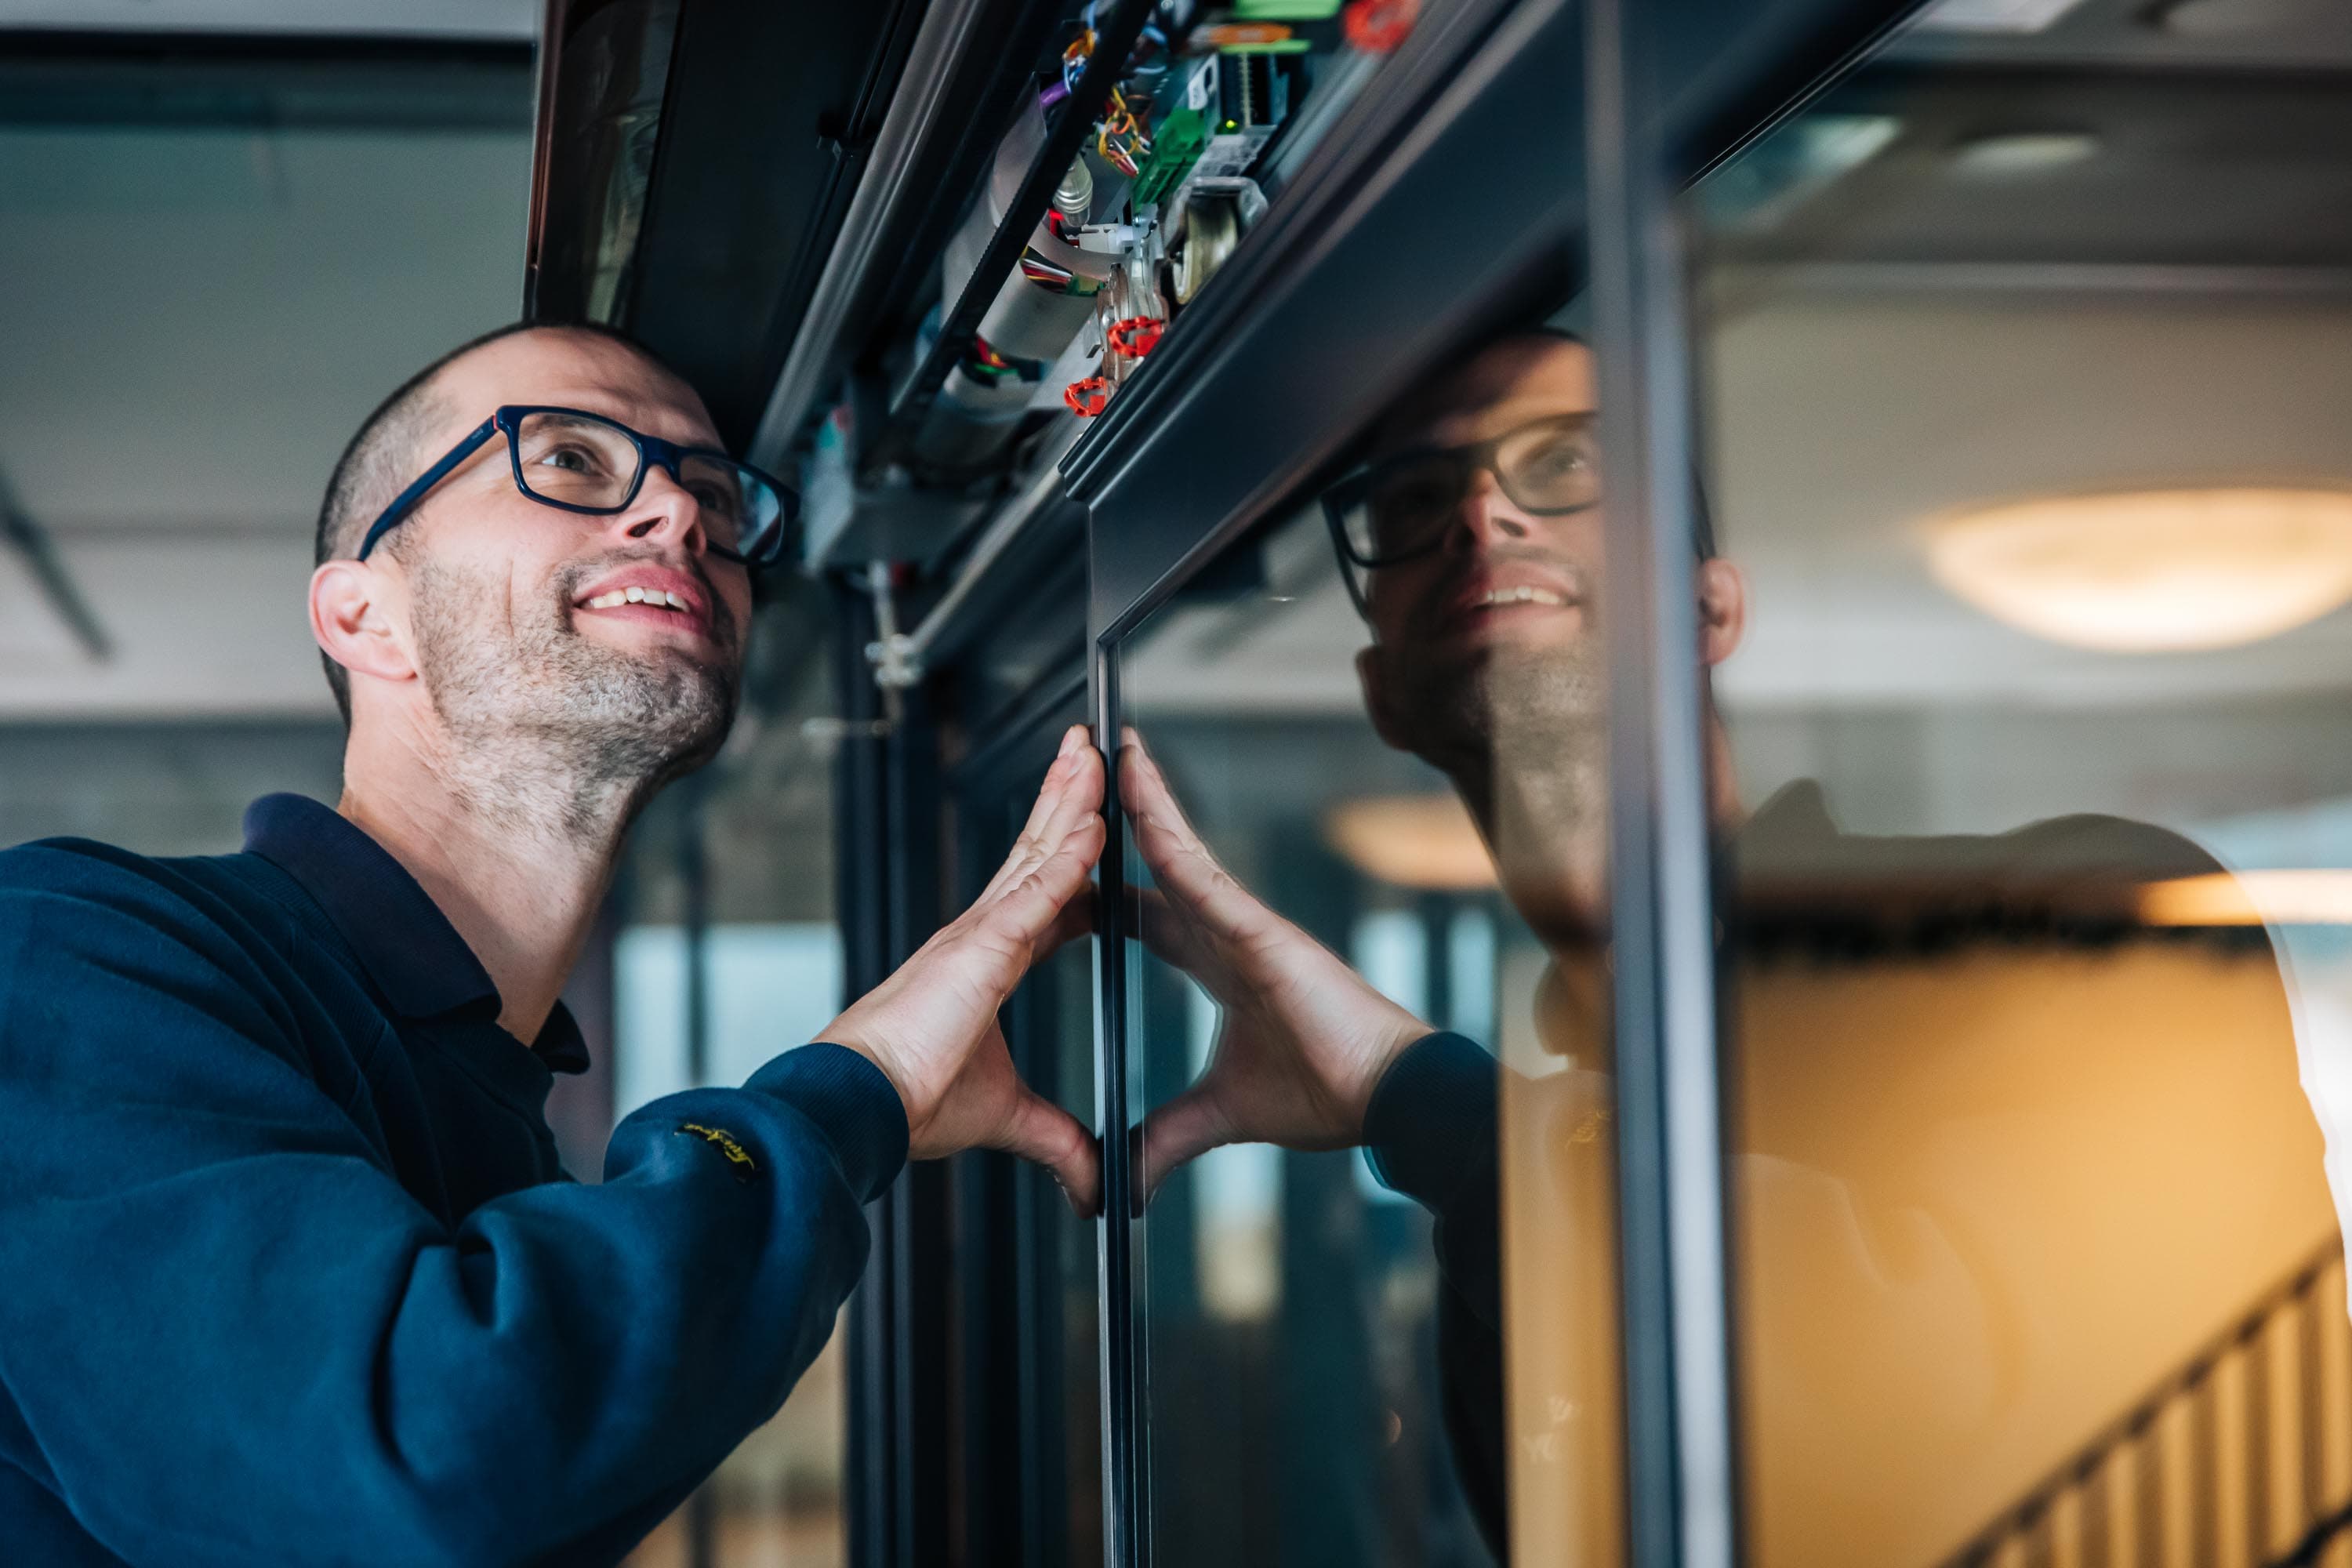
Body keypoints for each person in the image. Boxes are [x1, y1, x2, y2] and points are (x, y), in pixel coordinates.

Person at [1129, 328, 2336, 1564]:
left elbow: (1966, 1427)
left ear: (1709, 608)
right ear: (1386, 693)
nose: (1483, 514)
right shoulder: (1506, 1203)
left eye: (1566, 463)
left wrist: (1419, 1097)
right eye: (1419, 497)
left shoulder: (2094, 916)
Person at [0, 322, 1105, 1567]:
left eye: (716, 496)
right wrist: (861, 1088)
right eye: (575, 459)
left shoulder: (504, 1139)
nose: (679, 518)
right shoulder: (59, 950)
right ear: (367, 617)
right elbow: (421, 1472)